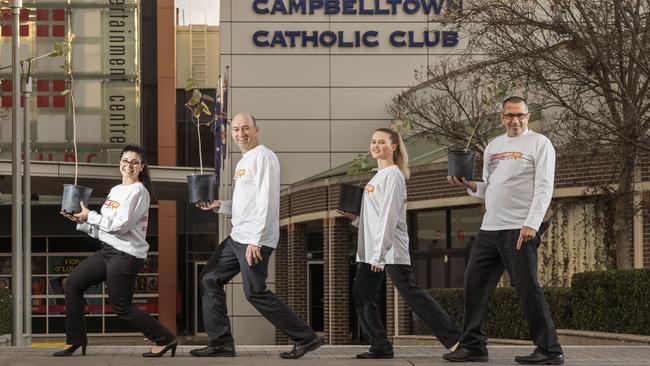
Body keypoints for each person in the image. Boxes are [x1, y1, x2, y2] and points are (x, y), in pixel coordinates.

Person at [443, 96, 564, 365]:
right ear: (502, 117)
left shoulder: (539, 143)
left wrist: (532, 223)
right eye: (510, 115)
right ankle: (474, 346)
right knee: (474, 286)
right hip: (490, 229)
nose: (515, 120)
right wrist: (470, 185)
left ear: (528, 116)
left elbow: (545, 186)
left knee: (527, 287)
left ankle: (550, 350)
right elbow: (489, 185)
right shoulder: (493, 146)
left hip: (519, 229)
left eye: (520, 115)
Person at [193, 112, 322, 359]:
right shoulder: (243, 162)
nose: (240, 134)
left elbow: (267, 200)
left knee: (255, 292)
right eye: (236, 130)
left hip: (254, 238)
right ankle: (221, 343)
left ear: (256, 130)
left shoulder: (263, 157)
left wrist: (257, 239)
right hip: (237, 237)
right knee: (209, 278)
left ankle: (306, 338)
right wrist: (219, 205)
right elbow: (246, 203)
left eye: (245, 129)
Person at [339, 128, 461, 359]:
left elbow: (389, 216)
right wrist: (355, 219)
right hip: (373, 249)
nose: (375, 145)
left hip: (389, 249)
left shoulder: (393, 176)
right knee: (362, 293)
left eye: (381, 142)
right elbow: (375, 216)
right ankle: (380, 346)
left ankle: (455, 340)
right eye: (373, 141)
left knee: (412, 294)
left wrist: (380, 254)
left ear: (393, 147)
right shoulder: (378, 175)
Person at [56, 145, 176, 358]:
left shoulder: (139, 191)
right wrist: (81, 221)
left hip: (126, 255)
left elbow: (120, 226)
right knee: (73, 283)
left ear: (141, 167)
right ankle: (75, 340)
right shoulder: (116, 190)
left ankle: (165, 339)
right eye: (125, 160)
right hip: (109, 250)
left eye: (134, 162)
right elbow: (104, 228)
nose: (128, 165)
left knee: (122, 307)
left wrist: (90, 215)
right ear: (119, 162)